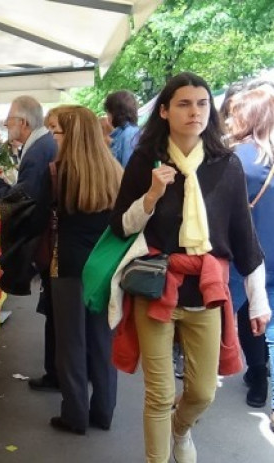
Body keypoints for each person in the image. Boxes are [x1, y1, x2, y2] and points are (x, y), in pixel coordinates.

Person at [110, 72, 271, 462]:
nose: (195, 111)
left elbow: (243, 237)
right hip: (156, 284)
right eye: (183, 103)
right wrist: (151, 194)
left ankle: (181, 431)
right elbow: (120, 226)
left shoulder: (225, 165)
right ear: (164, 111)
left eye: (202, 103)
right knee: (159, 394)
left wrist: (258, 300)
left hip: (206, 289)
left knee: (202, 392)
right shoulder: (145, 162)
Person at [39, 105, 122, 435]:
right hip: (104, 265)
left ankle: (74, 414)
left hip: (69, 265)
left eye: (56, 131)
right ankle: (104, 410)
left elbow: (44, 215)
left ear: (71, 133)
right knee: (103, 341)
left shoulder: (61, 170)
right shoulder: (114, 169)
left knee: (71, 344)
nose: (53, 137)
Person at [0, 95, 59, 393]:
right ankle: (58, 372)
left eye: (9, 120)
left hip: (45, 238)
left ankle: (56, 373)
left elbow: (25, 200)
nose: (7, 125)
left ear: (24, 122)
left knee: (55, 313)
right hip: (49, 237)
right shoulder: (40, 146)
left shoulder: (39, 148)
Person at [226, 85, 274, 421]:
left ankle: (259, 375)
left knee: (251, 318)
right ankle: (257, 375)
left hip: (253, 253)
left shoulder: (238, 159)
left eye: (234, 114)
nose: (229, 121)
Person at [104, 90, 140, 167]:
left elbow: (127, 171)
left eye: (108, 111)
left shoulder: (128, 135)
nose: (107, 116)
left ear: (115, 112)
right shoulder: (123, 134)